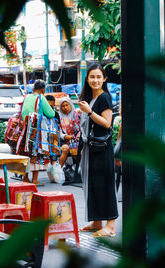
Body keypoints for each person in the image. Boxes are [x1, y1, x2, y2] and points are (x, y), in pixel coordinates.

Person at [77, 62, 118, 237]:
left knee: (106, 185)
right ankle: (96, 222)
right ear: (87, 79)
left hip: (102, 149)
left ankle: (111, 226)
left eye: (98, 77)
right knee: (94, 185)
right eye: (92, 77)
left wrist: (89, 112)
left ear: (104, 79)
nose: (95, 80)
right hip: (92, 149)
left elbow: (107, 123)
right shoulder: (91, 98)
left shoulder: (104, 98)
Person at [21, 79, 55, 186]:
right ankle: (35, 180)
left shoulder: (27, 97)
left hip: (26, 129)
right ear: (42, 89)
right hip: (37, 130)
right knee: (37, 153)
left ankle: (25, 178)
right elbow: (51, 114)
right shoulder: (41, 98)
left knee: (27, 153)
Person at [58, 97, 80, 168]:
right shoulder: (59, 117)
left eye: (67, 105)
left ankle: (78, 170)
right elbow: (59, 131)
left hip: (77, 139)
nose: (65, 107)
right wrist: (65, 136)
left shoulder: (76, 114)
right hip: (64, 141)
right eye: (63, 106)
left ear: (70, 105)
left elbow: (82, 127)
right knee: (65, 148)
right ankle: (58, 171)